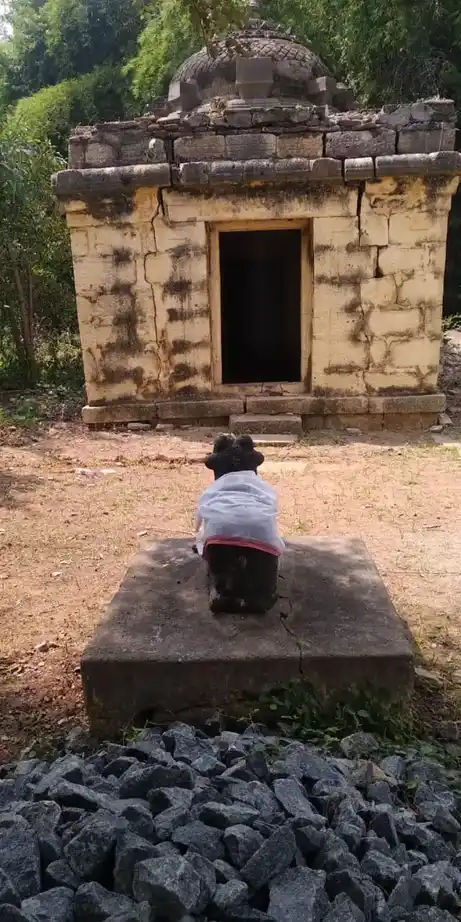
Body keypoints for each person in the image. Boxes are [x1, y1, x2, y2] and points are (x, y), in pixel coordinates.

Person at [195, 434, 284, 614]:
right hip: (261, 535)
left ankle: (224, 593)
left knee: (220, 560)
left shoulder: (213, 490)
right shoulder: (263, 487)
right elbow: (271, 510)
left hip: (220, 536)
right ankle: (262, 594)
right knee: (263, 559)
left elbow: (201, 519)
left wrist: (201, 542)